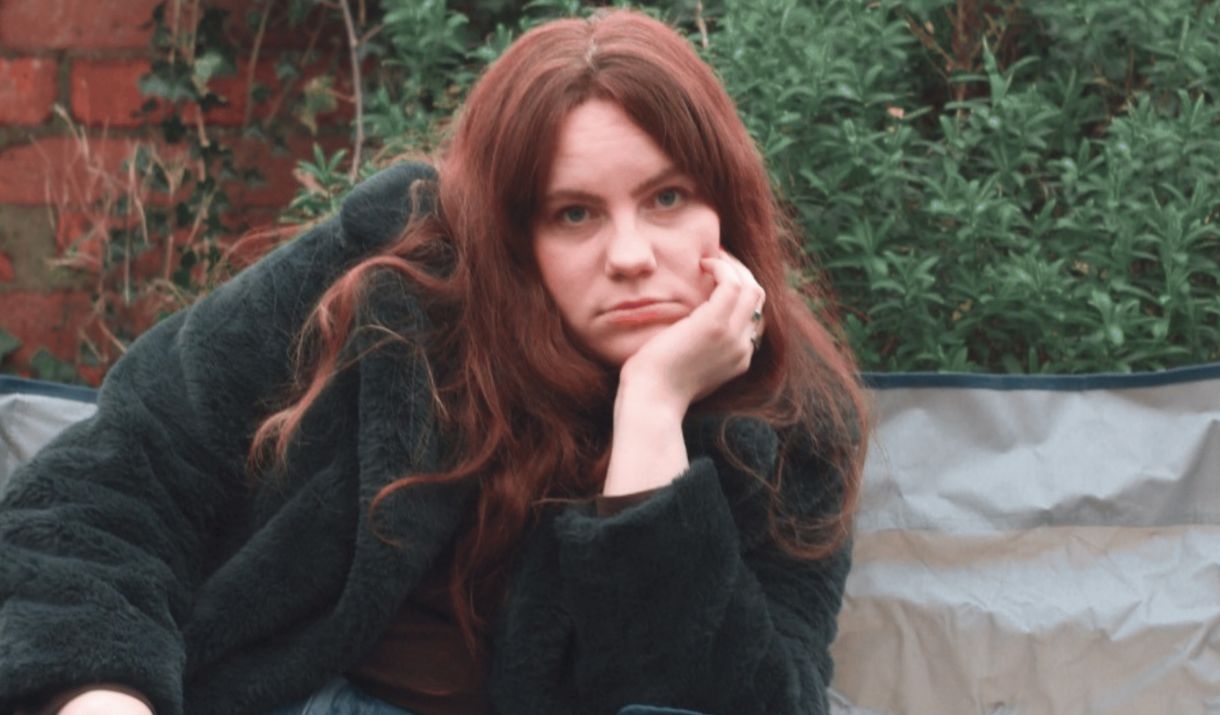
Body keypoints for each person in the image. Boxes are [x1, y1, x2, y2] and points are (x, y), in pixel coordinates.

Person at [0, 8, 866, 715]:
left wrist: (653, 412)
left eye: (667, 198)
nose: (631, 254)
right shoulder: (384, 289)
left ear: (727, 208)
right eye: (574, 213)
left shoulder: (792, 423)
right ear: (512, 233)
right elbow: (110, 484)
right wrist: (103, 693)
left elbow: (738, 697)